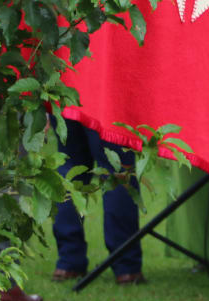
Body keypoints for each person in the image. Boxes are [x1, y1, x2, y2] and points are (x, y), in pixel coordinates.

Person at [50, 119, 145, 285]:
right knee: (118, 171)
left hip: (68, 97)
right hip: (108, 100)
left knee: (70, 169)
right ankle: (126, 265)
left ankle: (69, 262)